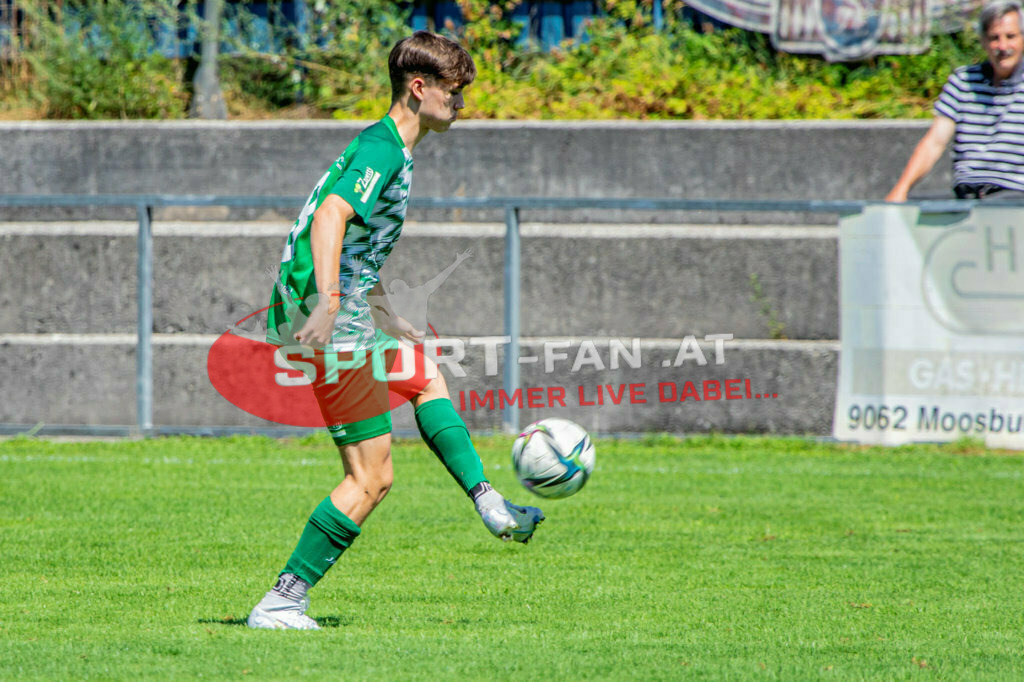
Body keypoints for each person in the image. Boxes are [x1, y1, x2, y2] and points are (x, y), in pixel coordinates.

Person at [247, 32, 544, 631]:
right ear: (420, 87)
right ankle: (282, 601)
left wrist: (387, 312)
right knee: (372, 477)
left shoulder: (390, 150)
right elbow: (332, 216)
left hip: (347, 313)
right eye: (455, 92)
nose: (461, 104)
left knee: (425, 374)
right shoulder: (382, 151)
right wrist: (330, 306)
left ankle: (488, 503)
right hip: (330, 322)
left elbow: (356, 244)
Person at [886, 0, 1024, 202]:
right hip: (967, 197)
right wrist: (901, 190)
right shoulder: (964, 81)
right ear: (984, 42)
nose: (1002, 46)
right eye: (994, 38)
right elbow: (935, 142)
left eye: (1010, 37)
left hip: (1014, 198)